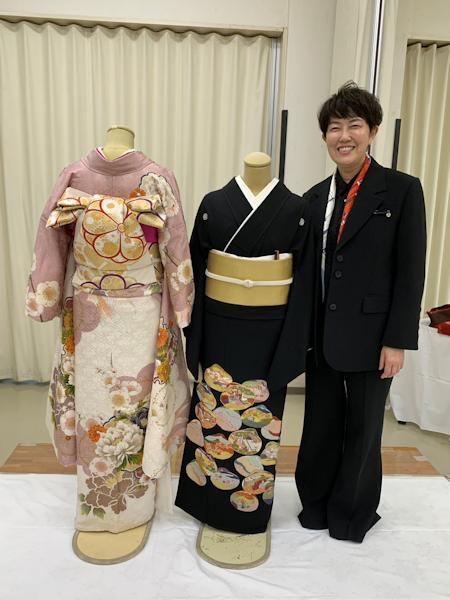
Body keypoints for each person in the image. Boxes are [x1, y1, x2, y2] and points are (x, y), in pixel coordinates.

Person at [295, 82, 427, 543]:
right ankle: (315, 505)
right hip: (322, 334)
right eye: (335, 127)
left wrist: (398, 340)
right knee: (320, 424)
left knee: (364, 428)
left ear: (372, 131)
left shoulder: (402, 191)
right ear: (325, 137)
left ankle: (351, 515)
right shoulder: (313, 198)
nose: (344, 136)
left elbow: (410, 272)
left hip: (374, 336)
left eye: (354, 125)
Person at [175, 152, 314, 567]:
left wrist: (293, 344)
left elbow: (305, 284)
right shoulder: (214, 204)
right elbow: (194, 271)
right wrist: (195, 334)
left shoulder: (297, 210)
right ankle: (209, 503)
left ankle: (250, 510)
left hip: (272, 331)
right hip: (218, 327)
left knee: (260, 419)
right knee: (212, 413)